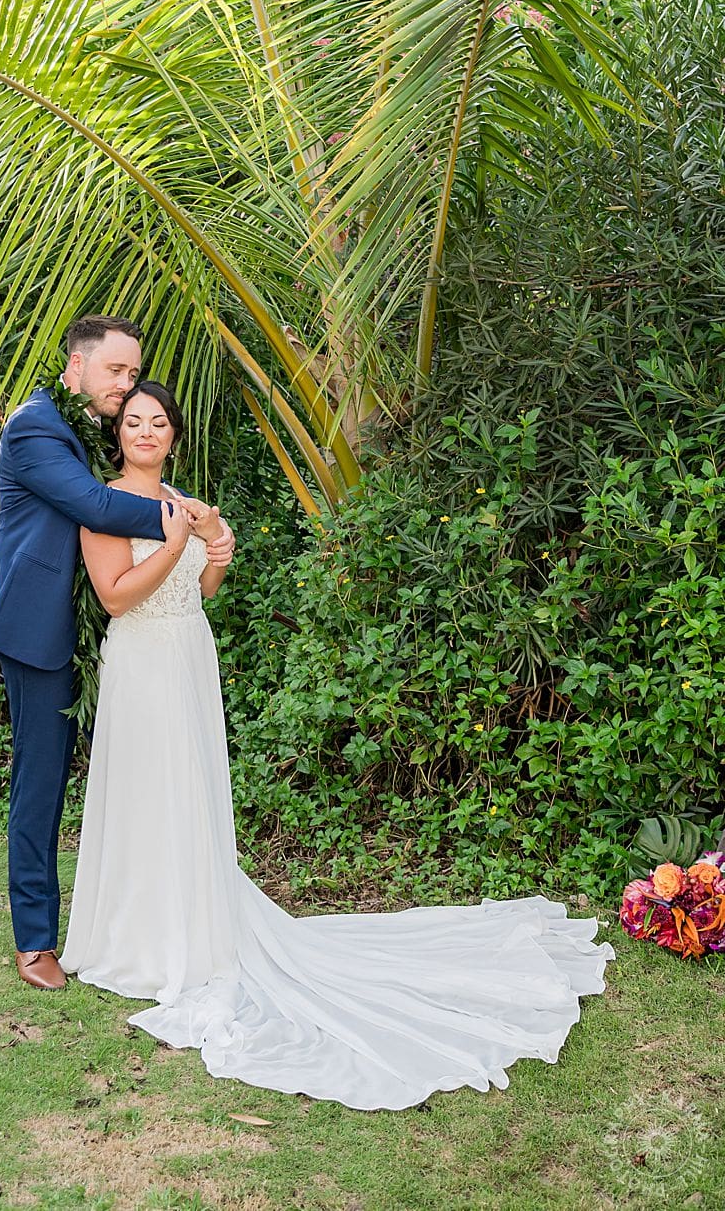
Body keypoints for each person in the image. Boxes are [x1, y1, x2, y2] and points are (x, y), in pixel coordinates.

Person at [59, 380, 615, 1110]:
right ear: (118, 433)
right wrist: (173, 545)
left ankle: (194, 920)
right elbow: (116, 596)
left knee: (188, 789)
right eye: (134, 421)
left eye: (159, 422)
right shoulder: (103, 506)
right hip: (139, 662)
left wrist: (216, 552)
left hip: (189, 655)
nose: (146, 432)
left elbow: (201, 591)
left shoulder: (187, 502)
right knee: (144, 790)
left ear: (174, 434)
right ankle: (140, 935)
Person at [0, 317, 235, 990]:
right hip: (40, 630)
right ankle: (34, 941)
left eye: (132, 373)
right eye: (117, 372)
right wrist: (193, 522)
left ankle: (143, 918)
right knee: (41, 781)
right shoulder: (37, 425)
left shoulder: (81, 426)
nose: (125, 387)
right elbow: (95, 503)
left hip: (110, 634)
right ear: (76, 365)